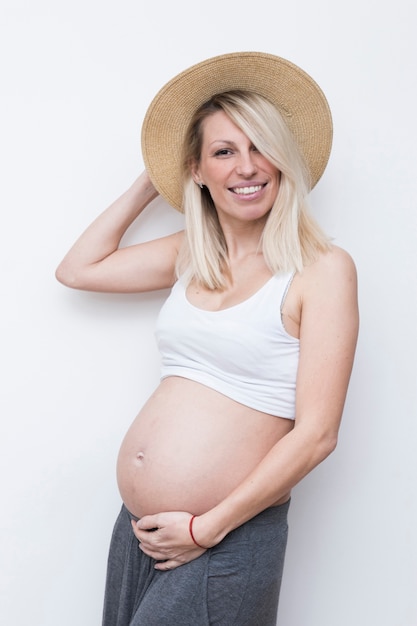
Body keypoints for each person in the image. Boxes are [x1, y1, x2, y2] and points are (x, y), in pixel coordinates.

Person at [56, 51, 359, 626]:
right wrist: (151, 180)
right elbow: (78, 270)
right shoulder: (193, 255)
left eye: (259, 147)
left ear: (283, 160)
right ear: (198, 170)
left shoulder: (322, 270)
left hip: (222, 534)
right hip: (141, 529)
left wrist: (205, 527)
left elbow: (318, 434)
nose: (246, 167)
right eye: (223, 152)